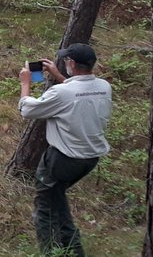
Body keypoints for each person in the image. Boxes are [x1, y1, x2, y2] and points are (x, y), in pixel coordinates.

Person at [18, 43, 112, 256]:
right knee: (58, 203)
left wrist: (25, 83)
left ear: (72, 64)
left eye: (67, 60)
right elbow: (79, 94)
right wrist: (59, 76)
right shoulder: (104, 87)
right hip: (90, 159)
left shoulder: (62, 92)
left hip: (62, 160)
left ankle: (52, 253)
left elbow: (28, 110)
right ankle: (74, 251)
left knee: (45, 210)